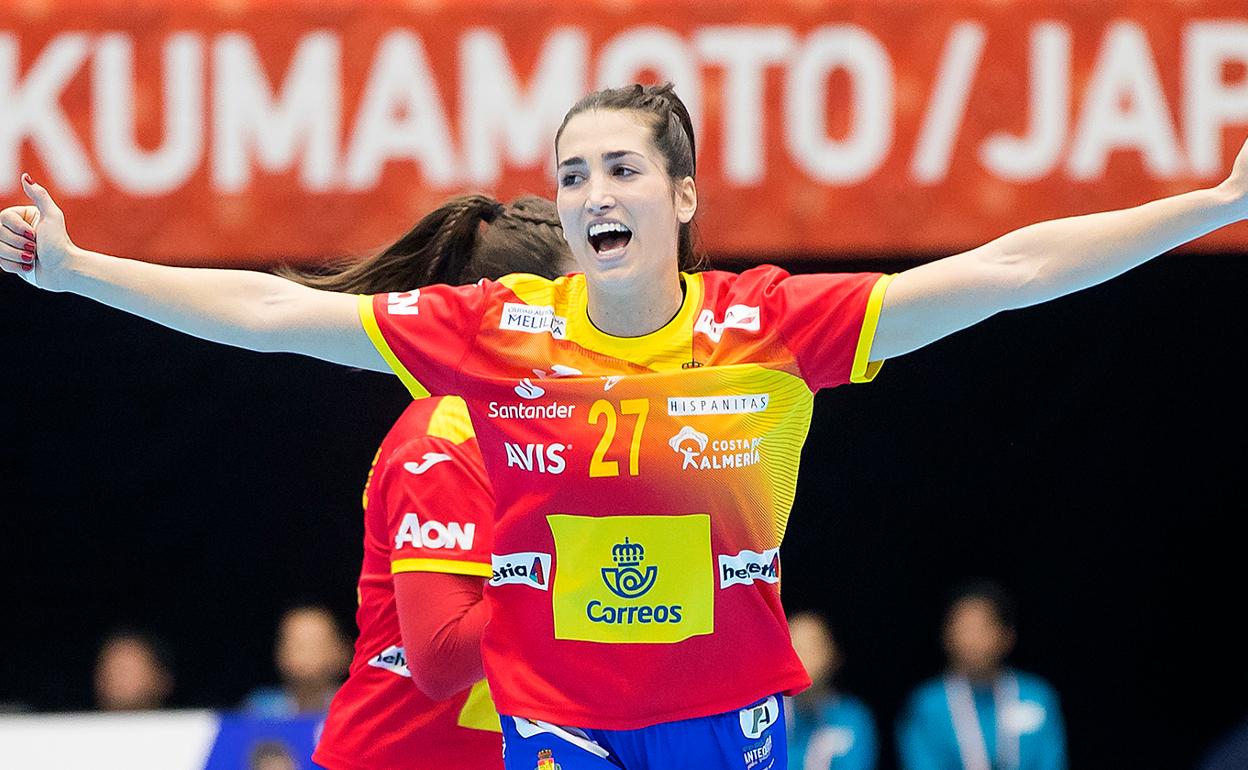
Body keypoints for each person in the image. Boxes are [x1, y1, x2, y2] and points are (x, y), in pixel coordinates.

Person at [3, 82, 1246, 769]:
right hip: (560, 722)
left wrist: (1212, 201)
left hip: (730, 720)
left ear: (681, 194)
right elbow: (271, 313)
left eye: (622, 169)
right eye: (574, 172)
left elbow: (1015, 267)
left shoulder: (767, 327)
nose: (594, 192)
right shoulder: (503, 330)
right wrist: (85, 271)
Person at [297, 193, 574, 770]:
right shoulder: (444, 436)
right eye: (587, 295)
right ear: (525, 310)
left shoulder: (573, 427)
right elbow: (443, 658)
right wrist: (591, 575)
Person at [897, 582, 1066, 770]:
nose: (972, 640)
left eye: (982, 627)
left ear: (1007, 635)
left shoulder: (1037, 696)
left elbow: (1051, 761)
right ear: (946, 636)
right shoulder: (927, 703)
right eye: (963, 628)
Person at [785, 612, 877, 770]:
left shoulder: (853, 716)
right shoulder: (768, 718)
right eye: (794, 647)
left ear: (833, 654)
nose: (801, 657)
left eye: (811, 647)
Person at [242, 603, 351, 717]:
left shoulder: (355, 704)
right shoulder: (260, 708)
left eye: (315, 645)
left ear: (342, 650)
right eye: (296, 645)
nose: (306, 655)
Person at [93, 627, 175, 711]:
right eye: (111, 672)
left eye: (126, 670)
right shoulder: (82, 723)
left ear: (162, 678)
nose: (117, 680)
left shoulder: (184, 722)